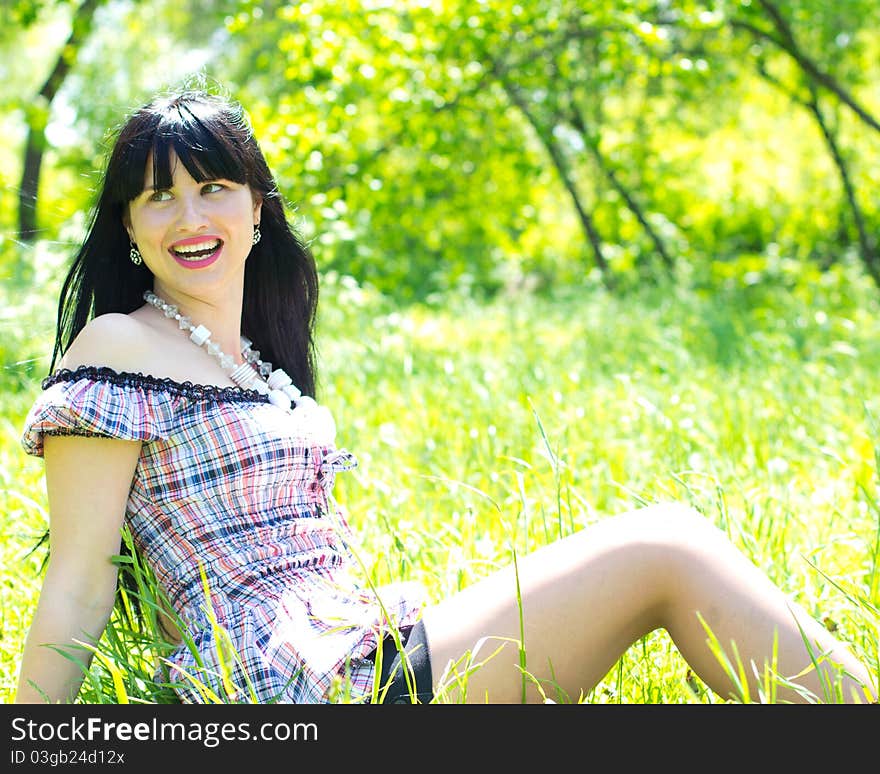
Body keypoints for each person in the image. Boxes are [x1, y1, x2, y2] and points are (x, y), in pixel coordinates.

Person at [14, 87, 877, 706]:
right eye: (157, 198)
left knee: (671, 556)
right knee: (667, 546)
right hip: (290, 688)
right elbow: (82, 579)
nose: (188, 218)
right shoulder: (120, 346)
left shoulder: (256, 358)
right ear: (127, 230)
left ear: (258, 210)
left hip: (356, 649)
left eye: (213, 189)